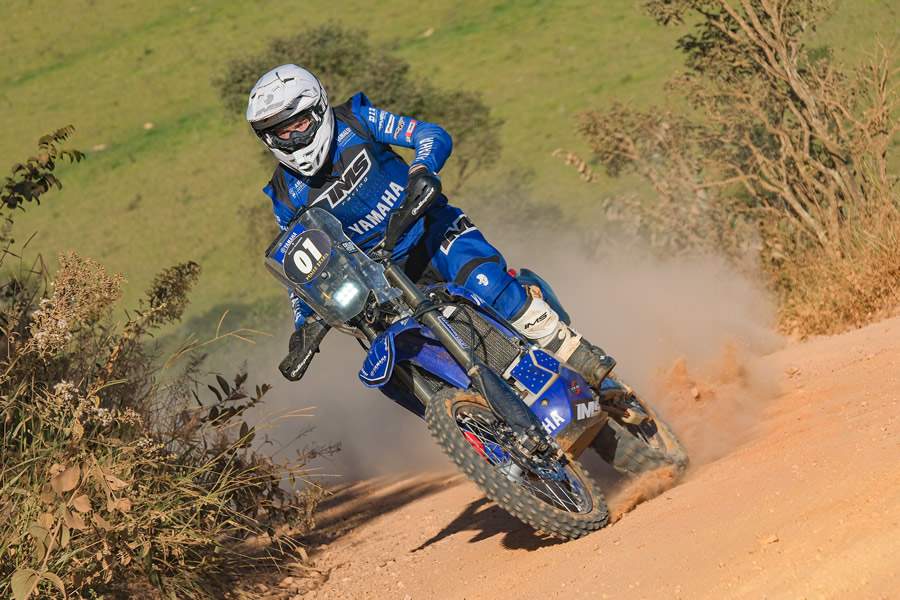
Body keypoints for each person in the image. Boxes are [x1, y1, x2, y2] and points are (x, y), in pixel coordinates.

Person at [246, 64, 613, 391]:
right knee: (394, 363)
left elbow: (430, 134)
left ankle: (587, 363)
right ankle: (484, 432)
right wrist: (302, 326)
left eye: (298, 124)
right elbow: (299, 269)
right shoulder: (284, 195)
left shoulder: (356, 120)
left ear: (319, 109)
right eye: (280, 132)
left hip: (431, 229)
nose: (292, 138)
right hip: (382, 280)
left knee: (487, 282)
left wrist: (422, 170)